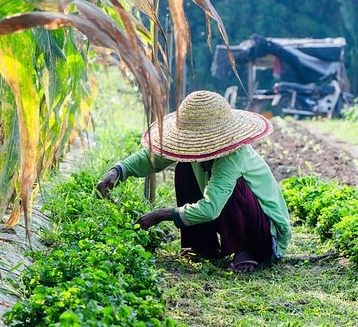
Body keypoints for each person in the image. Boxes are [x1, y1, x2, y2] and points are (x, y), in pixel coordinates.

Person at [96, 90, 292, 273]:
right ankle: (202, 246)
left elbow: (211, 208)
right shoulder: (194, 151)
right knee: (185, 167)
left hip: (266, 232)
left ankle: (248, 249)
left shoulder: (233, 155)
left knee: (234, 187)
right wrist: (117, 171)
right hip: (231, 212)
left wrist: (160, 215)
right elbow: (152, 158)